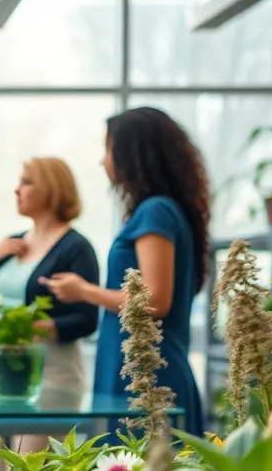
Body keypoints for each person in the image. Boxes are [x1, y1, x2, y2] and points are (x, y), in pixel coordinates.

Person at [40, 107, 208, 437]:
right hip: (136, 367)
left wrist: (83, 291)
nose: (103, 161)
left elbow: (155, 300)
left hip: (149, 374)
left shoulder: (155, 212)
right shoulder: (161, 211)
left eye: (108, 150)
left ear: (132, 154)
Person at [0, 157, 99, 453]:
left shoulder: (75, 247)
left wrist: (30, 328)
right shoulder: (11, 244)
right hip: (0, 381)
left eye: (26, 182)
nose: (17, 190)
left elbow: (85, 320)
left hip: (52, 380)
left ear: (50, 189)